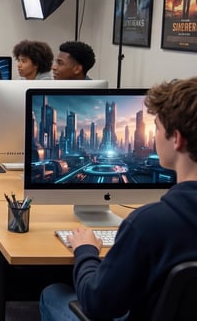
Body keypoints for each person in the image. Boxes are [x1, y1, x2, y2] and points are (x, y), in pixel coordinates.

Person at [40, 77, 197, 321]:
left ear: (176, 139)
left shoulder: (149, 224)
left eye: (156, 127)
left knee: (53, 293)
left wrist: (85, 251)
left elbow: (97, 304)